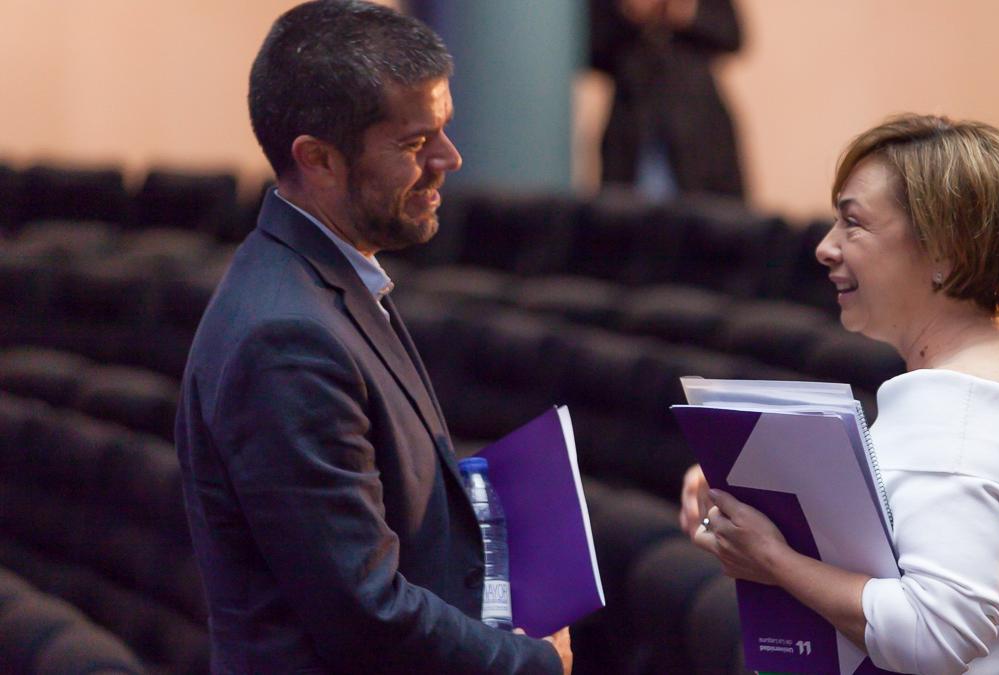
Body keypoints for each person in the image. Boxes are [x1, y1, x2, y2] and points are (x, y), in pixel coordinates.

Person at [174, 2, 571, 673]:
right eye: (416, 144)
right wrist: (528, 663)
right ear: (319, 159)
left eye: (444, 130)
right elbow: (364, 612)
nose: (451, 158)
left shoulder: (320, 279)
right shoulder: (286, 337)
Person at [680, 114, 999, 674]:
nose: (826, 248)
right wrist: (744, 511)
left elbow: (934, 634)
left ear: (946, 251)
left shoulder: (960, 407)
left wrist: (773, 558)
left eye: (853, 223)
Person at [589, 0, 745, 200]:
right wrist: (630, 14)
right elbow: (591, 49)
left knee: (706, 217)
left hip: (698, 125)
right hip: (632, 121)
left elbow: (732, 35)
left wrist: (684, 12)